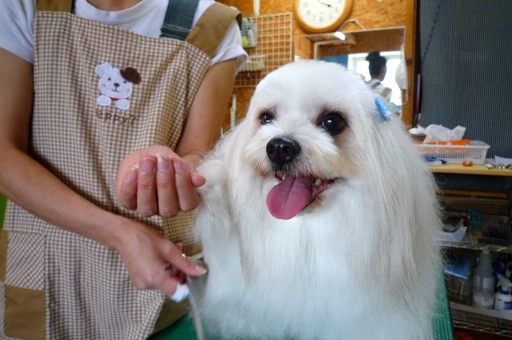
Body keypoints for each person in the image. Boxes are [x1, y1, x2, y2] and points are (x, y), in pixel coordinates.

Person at [0, 0, 247, 338]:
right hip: (47, 263)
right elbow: (4, 154)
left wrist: (167, 166)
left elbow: (195, 154)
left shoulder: (212, 23)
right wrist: (120, 233)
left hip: (156, 276)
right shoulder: (24, 6)